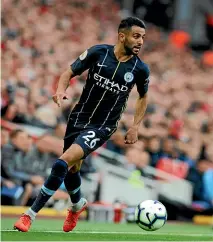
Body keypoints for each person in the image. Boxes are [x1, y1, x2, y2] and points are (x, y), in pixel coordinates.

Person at [14, 17, 150, 232]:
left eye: (142, 37)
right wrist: (60, 90)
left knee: (62, 162)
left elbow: (143, 97)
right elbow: (69, 72)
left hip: (103, 125)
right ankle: (77, 204)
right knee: (70, 170)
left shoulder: (140, 69)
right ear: (121, 36)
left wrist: (135, 126)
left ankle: (29, 215)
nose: (140, 41)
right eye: (136, 36)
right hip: (78, 118)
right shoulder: (98, 53)